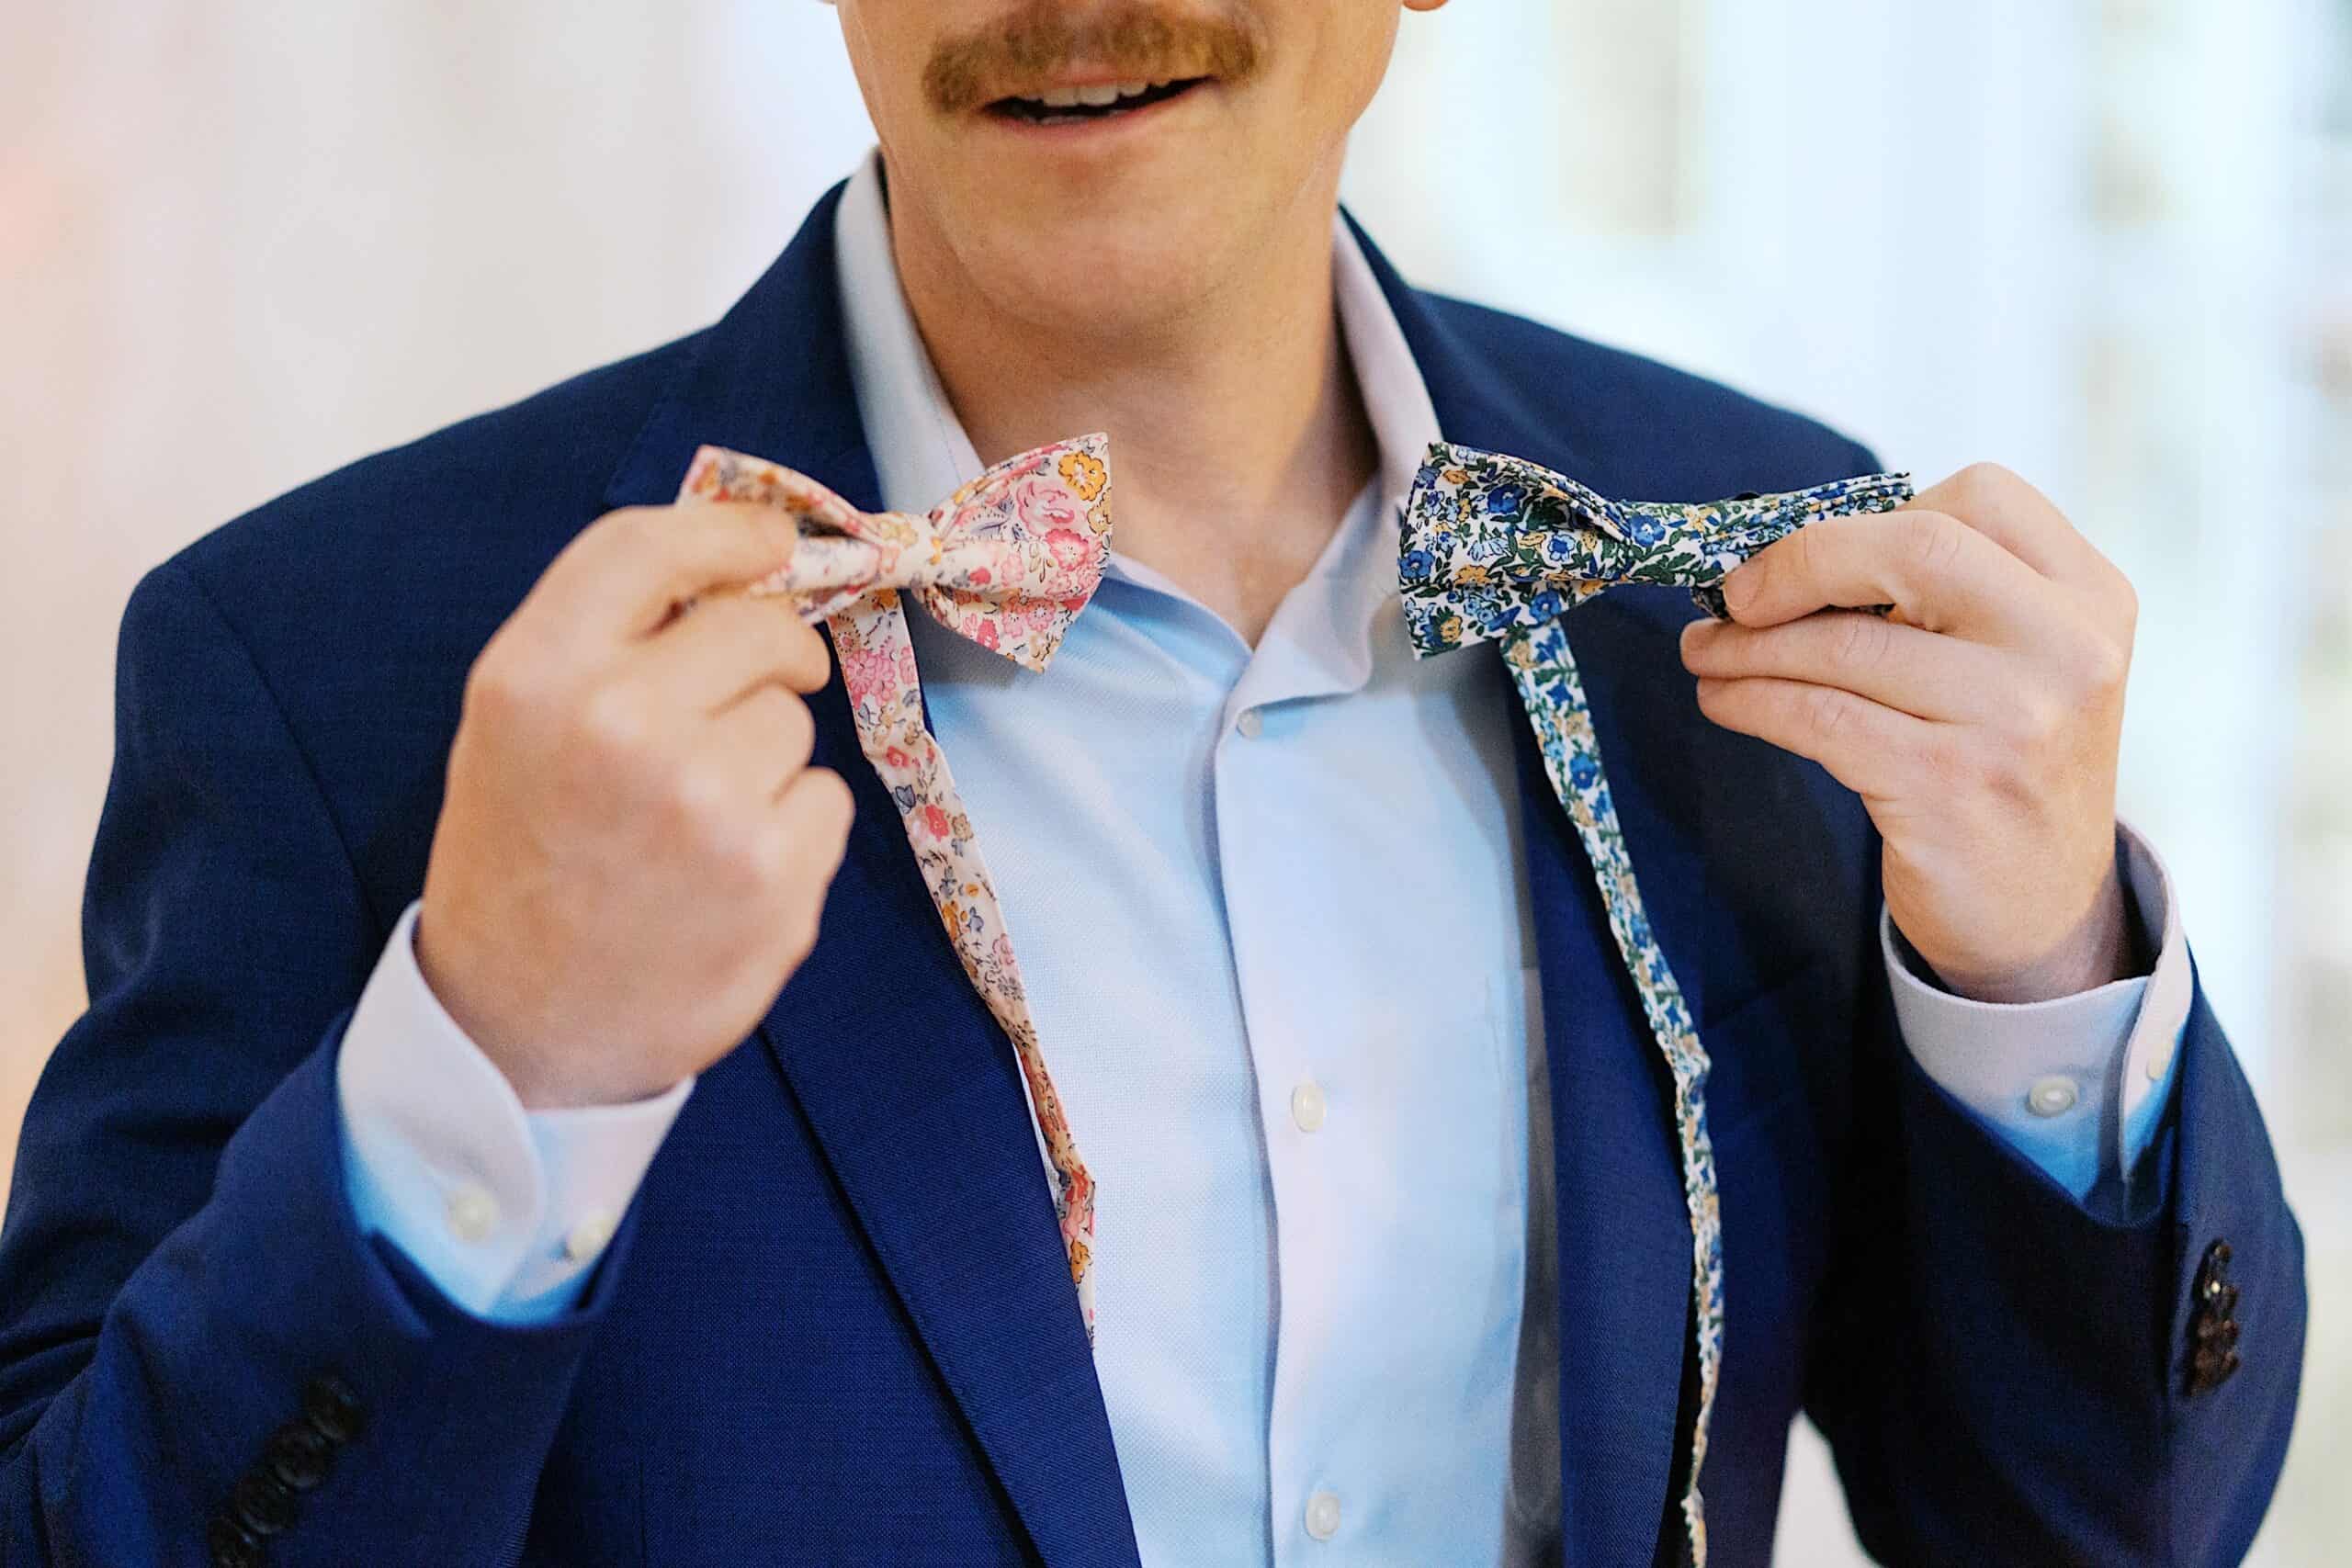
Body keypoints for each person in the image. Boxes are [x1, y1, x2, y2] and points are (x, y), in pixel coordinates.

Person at [0, 1, 2305, 1563]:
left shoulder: (1740, 584)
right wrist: (484, 1065)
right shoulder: (335, 670)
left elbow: (2094, 1523)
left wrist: (2037, 979)